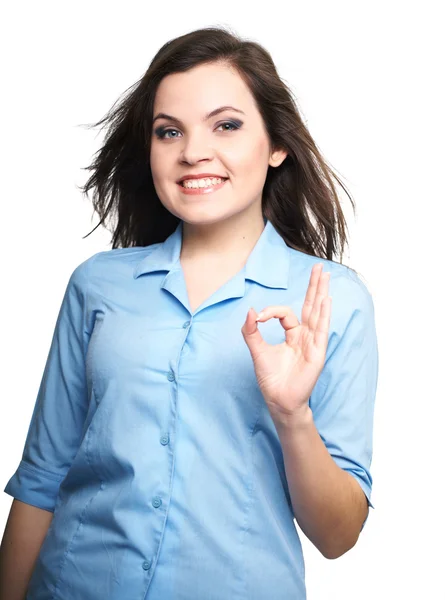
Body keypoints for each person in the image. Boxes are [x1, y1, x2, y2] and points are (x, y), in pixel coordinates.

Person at [0, 25, 379, 600]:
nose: (192, 151)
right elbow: (41, 478)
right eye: (168, 131)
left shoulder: (332, 300)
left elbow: (339, 535)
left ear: (277, 145)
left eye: (226, 125)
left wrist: (292, 414)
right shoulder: (97, 285)